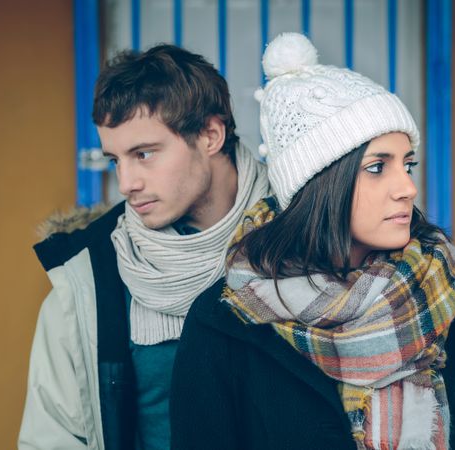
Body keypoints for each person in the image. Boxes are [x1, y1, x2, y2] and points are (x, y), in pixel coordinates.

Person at [171, 33, 455, 450]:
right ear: (321, 185)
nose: (407, 189)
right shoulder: (225, 323)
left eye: (408, 165)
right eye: (378, 167)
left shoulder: (446, 307)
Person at [18, 44, 269, 449]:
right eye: (116, 159)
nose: (126, 183)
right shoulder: (87, 282)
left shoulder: (306, 241)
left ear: (210, 135)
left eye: (144, 154)